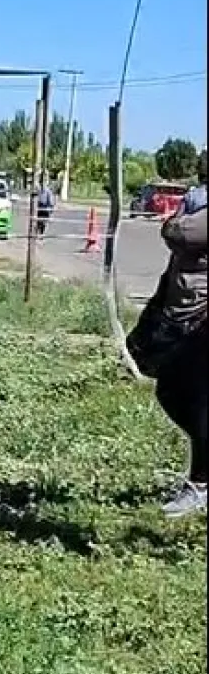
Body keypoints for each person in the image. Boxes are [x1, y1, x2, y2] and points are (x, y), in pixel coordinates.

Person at [134, 203, 207, 517]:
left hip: (200, 321)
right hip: (187, 316)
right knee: (180, 395)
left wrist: (176, 219)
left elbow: (180, 233)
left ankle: (201, 484)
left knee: (188, 398)